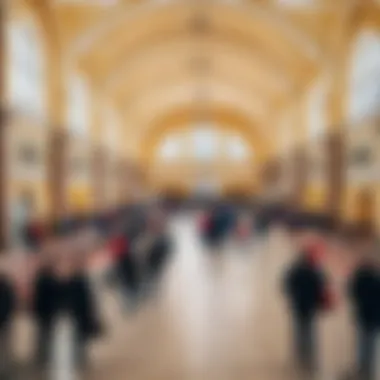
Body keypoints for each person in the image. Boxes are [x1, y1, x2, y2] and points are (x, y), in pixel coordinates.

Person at [283, 243, 327, 375]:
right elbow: (322, 287)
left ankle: (302, 358)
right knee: (308, 333)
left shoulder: (295, 268)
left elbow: (286, 285)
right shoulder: (315, 270)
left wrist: (293, 296)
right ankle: (308, 359)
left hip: (300, 305)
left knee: (302, 332)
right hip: (307, 306)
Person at [348, 246, 380, 380]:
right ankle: (367, 371)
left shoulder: (360, 277)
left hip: (365, 315)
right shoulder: (375, 278)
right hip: (374, 317)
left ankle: (363, 369)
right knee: (369, 345)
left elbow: (353, 292)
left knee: (363, 344)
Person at [0, 257, 16, 378]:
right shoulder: (6, 286)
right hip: (4, 321)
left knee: (3, 350)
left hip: (3, 322)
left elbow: (9, 304)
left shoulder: (5, 286)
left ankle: (4, 372)